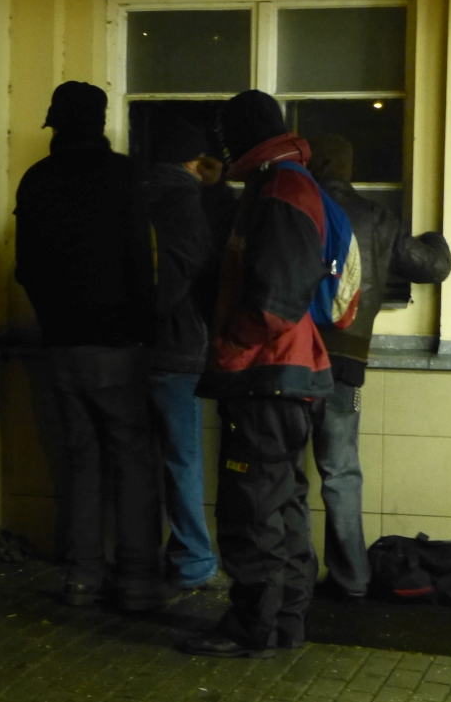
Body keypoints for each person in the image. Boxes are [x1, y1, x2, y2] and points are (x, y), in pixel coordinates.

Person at [183, 90, 333, 659]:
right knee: (282, 506)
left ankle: (253, 629)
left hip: (266, 375)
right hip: (285, 377)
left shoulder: (279, 188)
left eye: (225, 135)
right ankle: (285, 623)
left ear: (242, 135)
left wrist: (231, 342)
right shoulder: (282, 182)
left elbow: (275, 300)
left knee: (253, 510)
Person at [14, 81, 168, 611]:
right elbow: (140, 260)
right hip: (120, 341)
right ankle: (138, 580)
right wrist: (148, 329)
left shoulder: (36, 179)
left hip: (61, 342)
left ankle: (82, 576)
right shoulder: (124, 175)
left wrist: (53, 320)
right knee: (132, 458)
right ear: (100, 124)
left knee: (81, 459)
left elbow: (26, 268)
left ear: (56, 125)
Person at [306, 134, 451, 602]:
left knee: (285, 472)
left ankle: (293, 574)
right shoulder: (377, 217)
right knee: (341, 473)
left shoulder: (295, 206)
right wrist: (435, 237)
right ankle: (351, 578)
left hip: (293, 359)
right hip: (346, 364)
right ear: (348, 168)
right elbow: (432, 266)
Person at [141, 117, 234, 593]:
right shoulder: (186, 200)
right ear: (197, 162)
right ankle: (193, 559)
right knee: (183, 458)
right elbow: (201, 265)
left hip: (128, 345)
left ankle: (135, 557)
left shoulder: (133, 195)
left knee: (134, 457)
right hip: (178, 346)